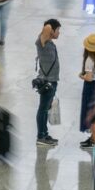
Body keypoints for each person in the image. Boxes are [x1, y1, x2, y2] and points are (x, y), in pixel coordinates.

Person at [35, 19, 62, 147]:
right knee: (43, 109)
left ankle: (44, 133)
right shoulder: (42, 42)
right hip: (47, 82)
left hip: (52, 81)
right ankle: (41, 136)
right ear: (51, 31)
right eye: (58, 30)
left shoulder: (49, 42)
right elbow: (46, 29)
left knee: (46, 109)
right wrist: (49, 26)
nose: (59, 33)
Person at [78, 34, 95, 146]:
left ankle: (93, 140)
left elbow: (89, 78)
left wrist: (81, 76)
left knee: (89, 112)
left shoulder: (89, 60)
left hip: (91, 87)